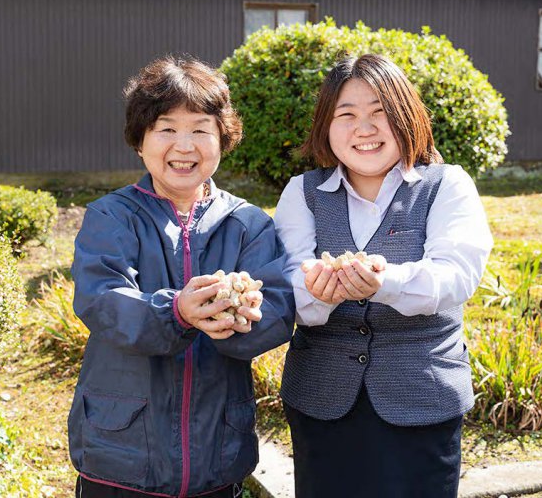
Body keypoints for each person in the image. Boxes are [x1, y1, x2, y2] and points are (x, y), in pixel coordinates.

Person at [68, 55, 294, 498]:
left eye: (200, 129)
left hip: (217, 453)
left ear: (222, 139)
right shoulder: (112, 216)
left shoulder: (248, 223)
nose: (184, 145)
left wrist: (245, 315)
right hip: (121, 451)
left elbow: (278, 307)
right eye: (167, 128)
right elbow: (102, 299)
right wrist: (177, 311)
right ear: (140, 140)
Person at [273, 54, 493, 498]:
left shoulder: (446, 184)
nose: (365, 129)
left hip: (422, 398)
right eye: (347, 115)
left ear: (406, 117)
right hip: (322, 399)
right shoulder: (302, 193)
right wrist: (317, 291)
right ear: (326, 126)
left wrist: (384, 281)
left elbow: (456, 275)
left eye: (380, 114)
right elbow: (285, 282)